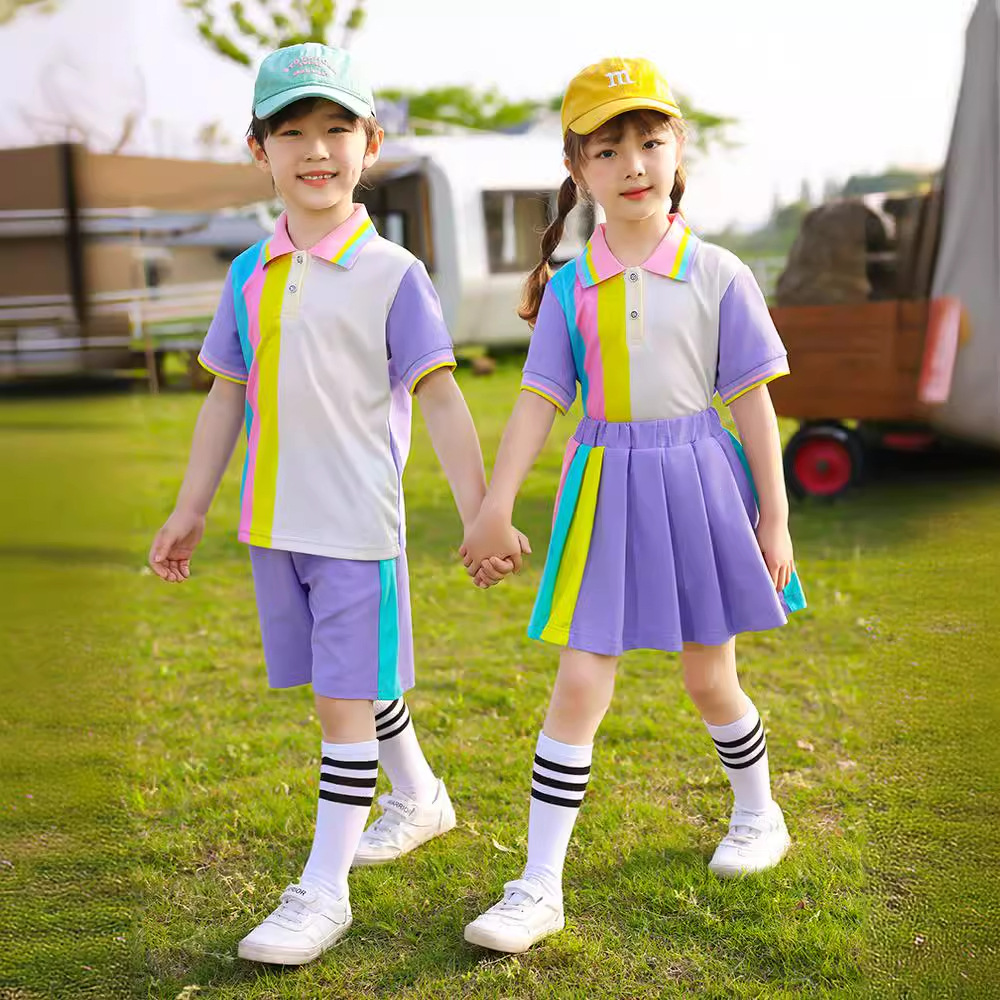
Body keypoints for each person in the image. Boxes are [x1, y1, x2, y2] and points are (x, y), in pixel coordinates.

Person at [148, 42, 519, 965]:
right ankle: (421, 796)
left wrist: (482, 512)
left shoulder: (396, 275)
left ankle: (323, 892)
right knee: (349, 683)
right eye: (293, 132)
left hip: (357, 532)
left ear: (371, 143)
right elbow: (226, 395)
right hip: (274, 529)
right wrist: (190, 508)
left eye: (336, 129)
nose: (317, 150)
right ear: (258, 151)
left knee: (340, 704)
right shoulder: (246, 276)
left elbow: (440, 397)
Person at [459, 56, 807, 954]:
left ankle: (760, 814)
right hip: (606, 488)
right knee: (580, 681)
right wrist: (494, 507)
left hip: (699, 483)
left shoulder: (721, 272)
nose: (634, 165)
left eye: (651, 143)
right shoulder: (569, 288)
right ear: (578, 170)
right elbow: (539, 401)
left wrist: (774, 516)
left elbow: (754, 403)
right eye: (608, 150)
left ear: (677, 149)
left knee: (707, 676)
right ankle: (539, 884)